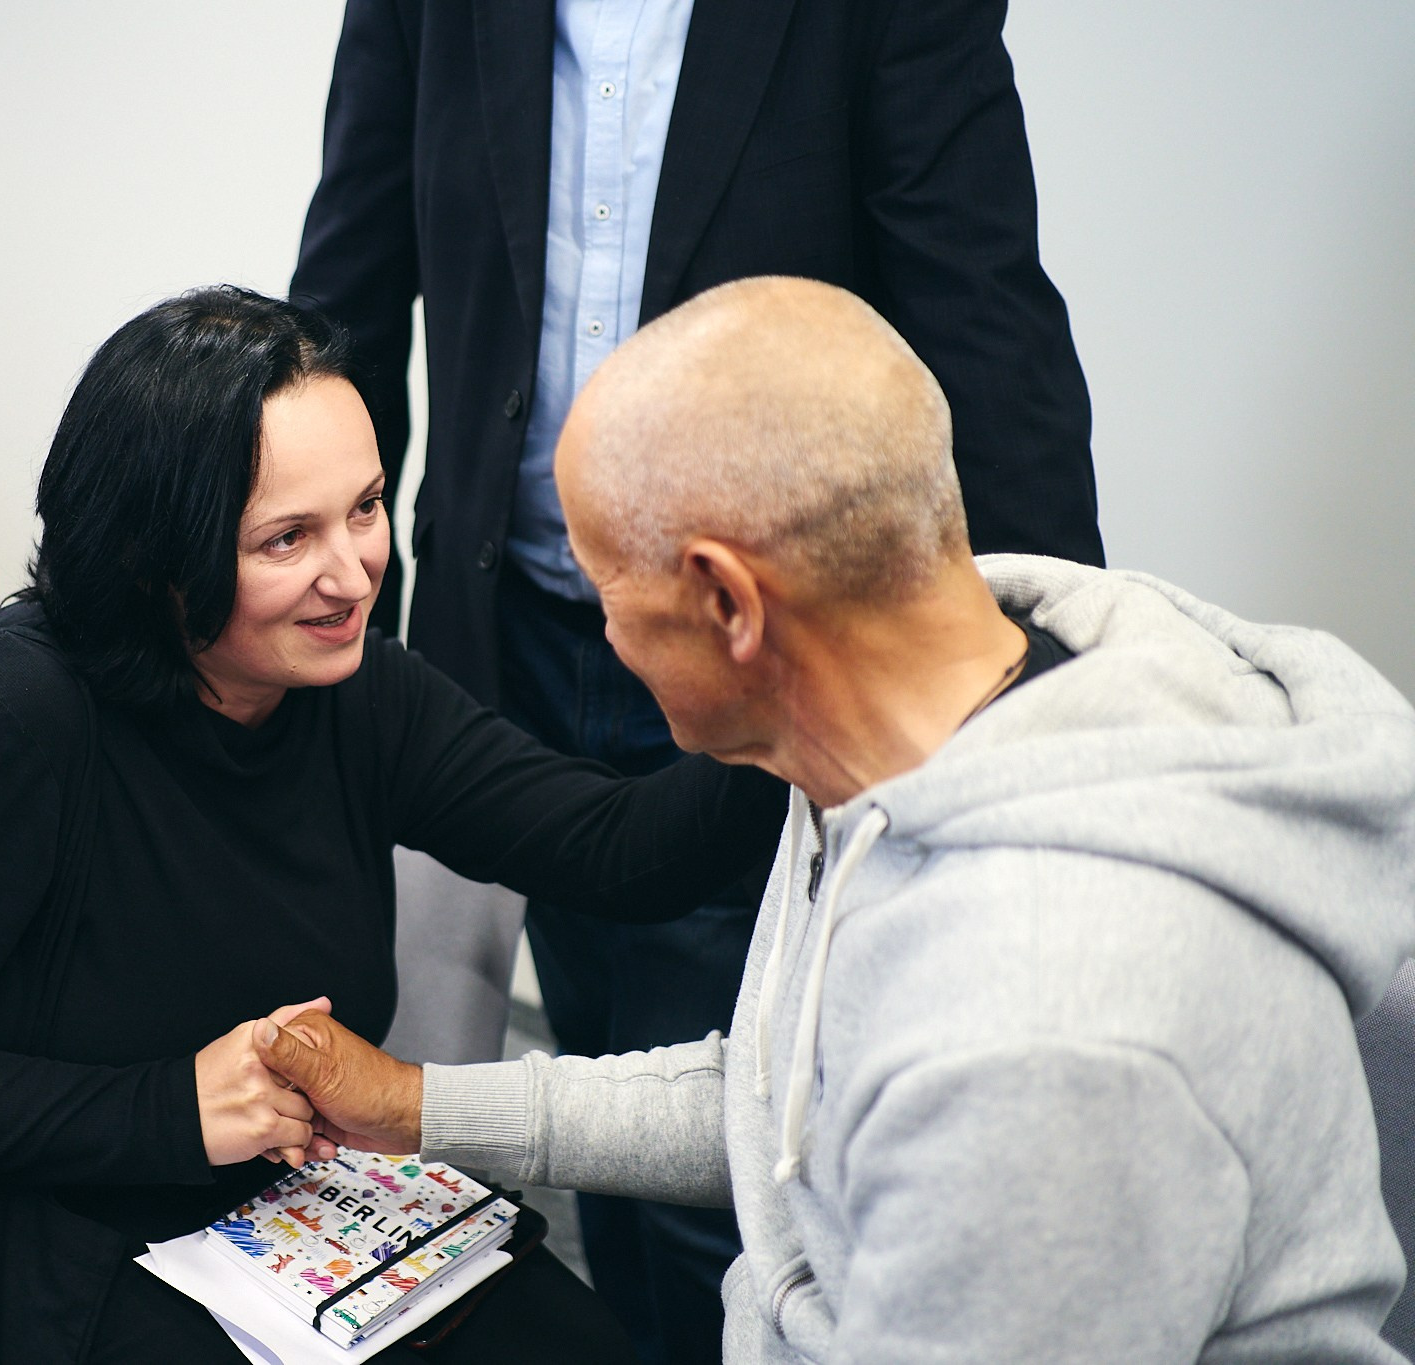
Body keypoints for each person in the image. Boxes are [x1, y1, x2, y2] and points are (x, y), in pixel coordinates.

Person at [252, 276, 1415, 1362]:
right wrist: (414, 1105)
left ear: (726, 604)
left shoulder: (1047, 1038)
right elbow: (788, 1107)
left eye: (608, 593)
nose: (602, 639)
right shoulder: (910, 734)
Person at [0, 286, 785, 1364]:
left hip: (248, 1198)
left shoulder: (352, 691)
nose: (353, 575)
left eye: (367, 507)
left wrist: (790, 676)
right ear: (156, 563)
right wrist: (167, 1109)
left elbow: (622, 852)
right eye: (286, 538)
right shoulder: (3, 719)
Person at [292, 7, 1106, 1354]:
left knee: (752, 1157)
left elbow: (984, 312)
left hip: (762, 660)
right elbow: (352, 277)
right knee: (626, 1086)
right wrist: (297, 566)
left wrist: (1033, 709)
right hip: (517, 631)